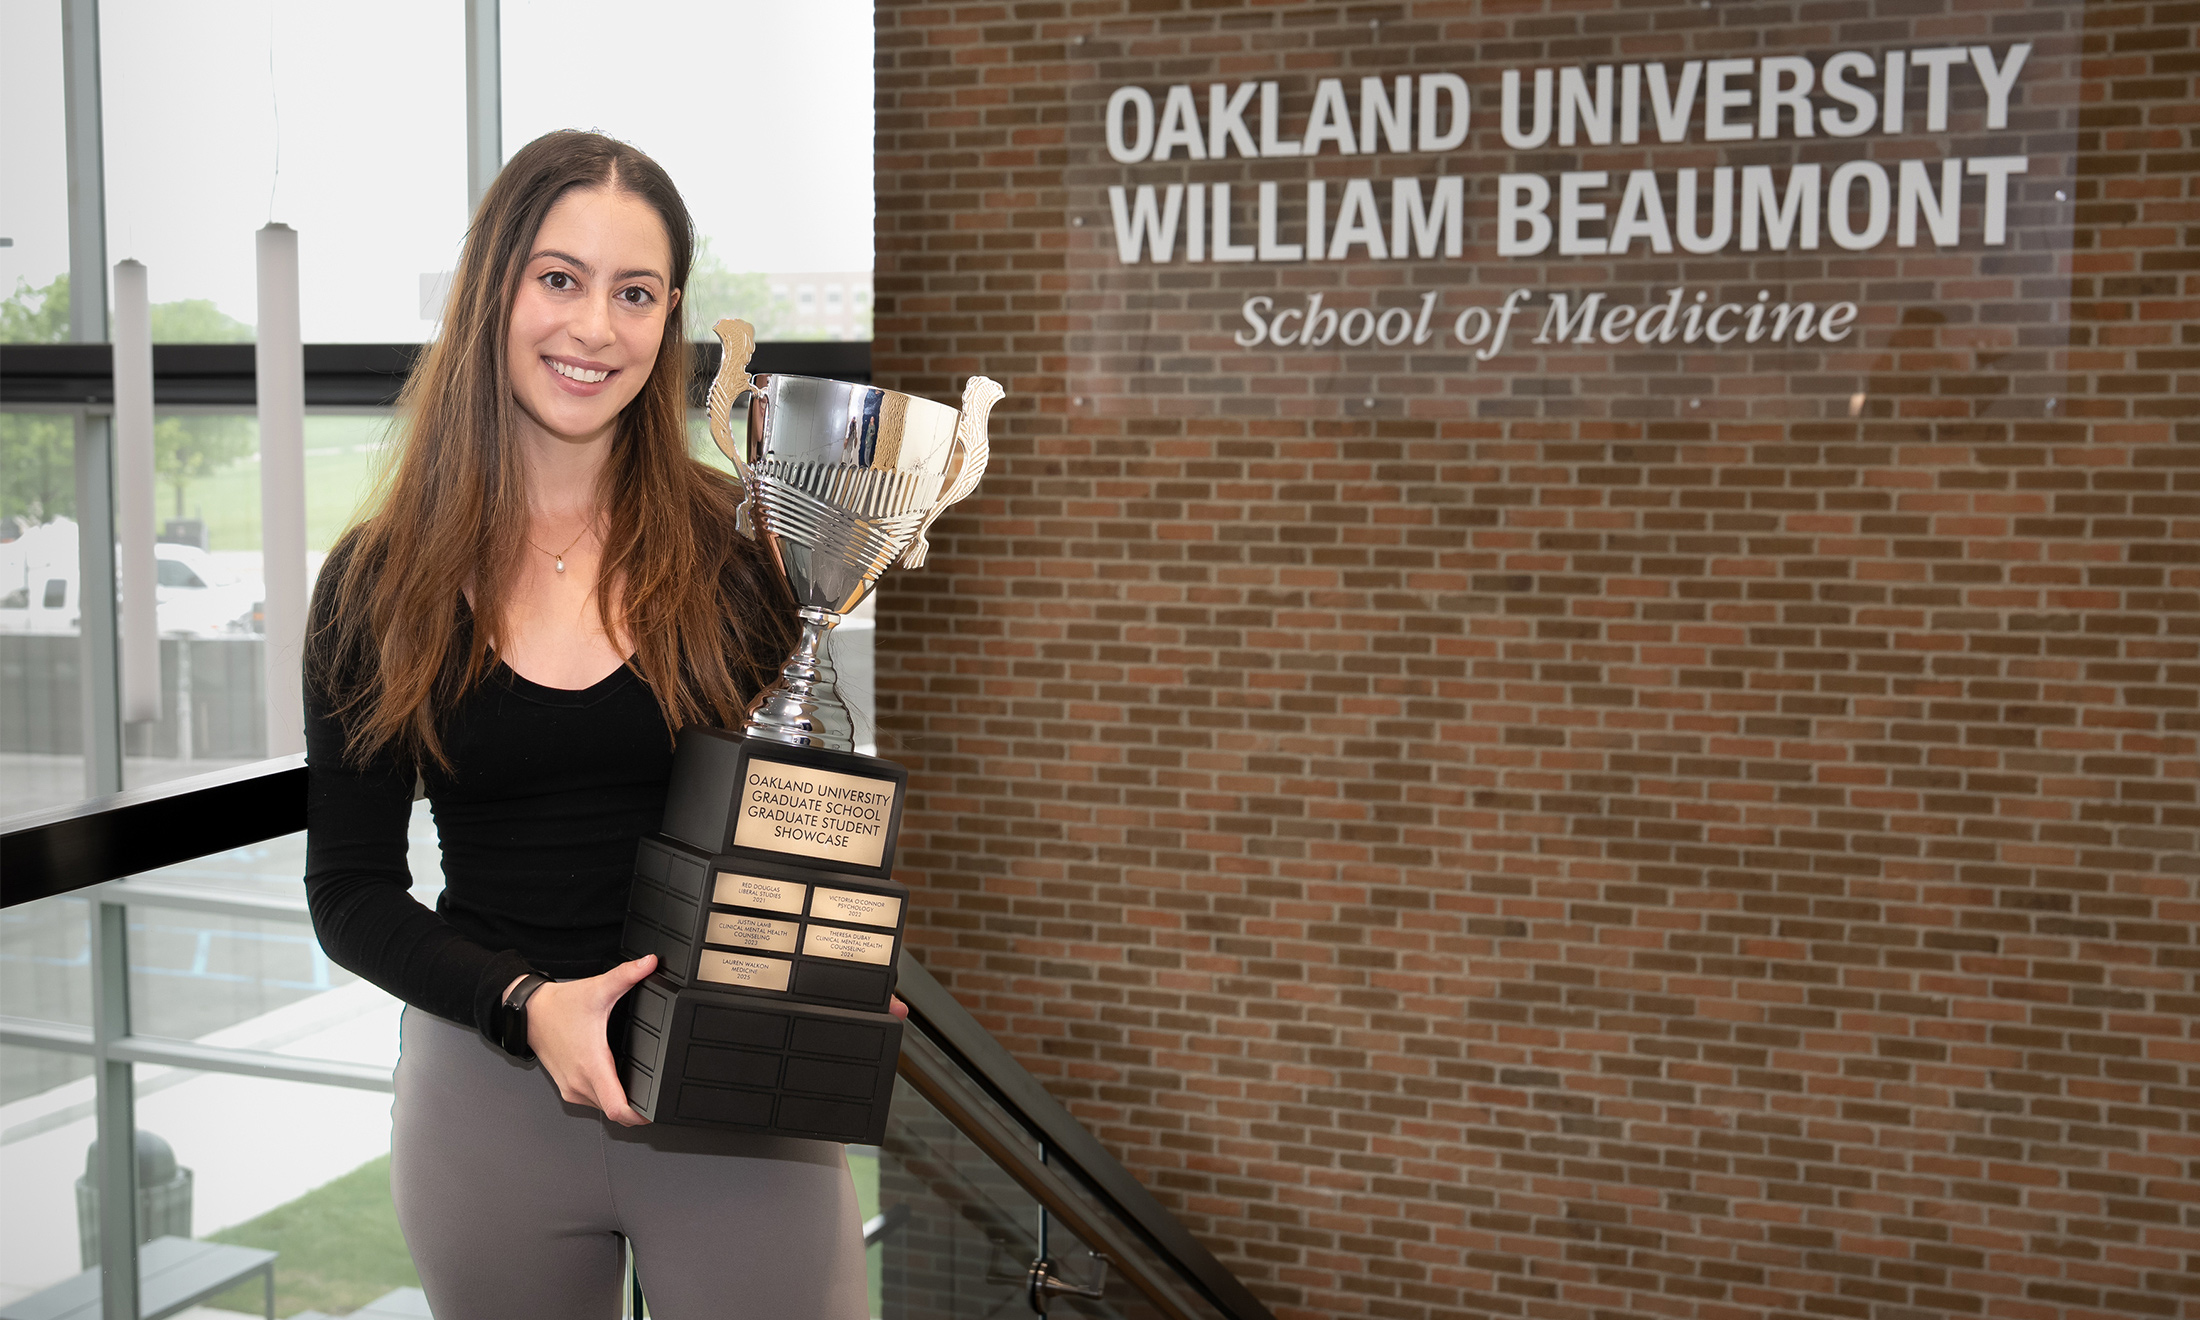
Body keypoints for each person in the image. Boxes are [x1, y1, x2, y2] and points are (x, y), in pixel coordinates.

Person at [303, 130, 870, 1318]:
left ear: (669, 321)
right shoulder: (379, 581)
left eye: (636, 293)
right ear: (493, 290)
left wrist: (831, 963)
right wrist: (524, 1005)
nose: (594, 329)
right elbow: (350, 892)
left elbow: (789, 812)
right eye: (558, 279)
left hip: (729, 1099)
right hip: (488, 1099)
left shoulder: (745, 549)